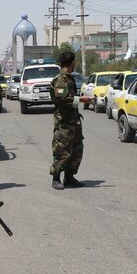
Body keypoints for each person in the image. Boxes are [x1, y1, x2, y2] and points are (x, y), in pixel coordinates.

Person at [49, 51, 92, 190]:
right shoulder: (60, 80)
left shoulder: (69, 78)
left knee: (76, 150)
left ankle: (69, 178)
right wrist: (81, 99)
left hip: (73, 120)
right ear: (72, 63)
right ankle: (56, 178)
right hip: (64, 122)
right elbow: (62, 100)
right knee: (62, 150)